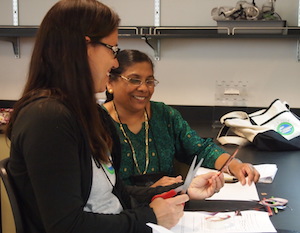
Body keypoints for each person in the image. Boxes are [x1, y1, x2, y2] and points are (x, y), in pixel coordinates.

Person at [5, 1, 224, 233]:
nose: (115, 62)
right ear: (83, 48)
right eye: (112, 49)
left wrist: (182, 191)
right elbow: (66, 226)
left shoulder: (87, 114)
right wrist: (149, 217)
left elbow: (115, 193)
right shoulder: (47, 119)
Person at [103, 49, 260, 187]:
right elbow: (99, 188)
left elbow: (200, 149)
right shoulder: (97, 122)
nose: (144, 88)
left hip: (170, 205)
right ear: (110, 82)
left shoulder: (165, 116)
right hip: (120, 213)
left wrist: (234, 164)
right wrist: (148, 192)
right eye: (134, 80)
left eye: (149, 81)